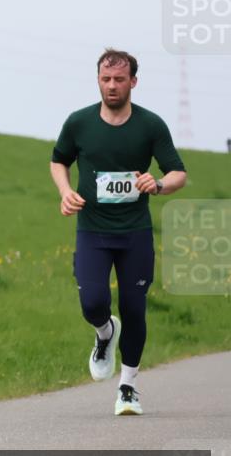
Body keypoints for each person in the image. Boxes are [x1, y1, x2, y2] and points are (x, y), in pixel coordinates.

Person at [50, 48, 186, 416]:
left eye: (119, 79)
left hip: (135, 233)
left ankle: (128, 387)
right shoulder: (79, 123)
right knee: (93, 303)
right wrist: (65, 192)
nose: (112, 86)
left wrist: (156, 184)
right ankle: (106, 332)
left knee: (134, 308)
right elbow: (59, 159)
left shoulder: (150, 125)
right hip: (92, 230)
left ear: (133, 82)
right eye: (106, 79)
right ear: (98, 80)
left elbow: (178, 173)